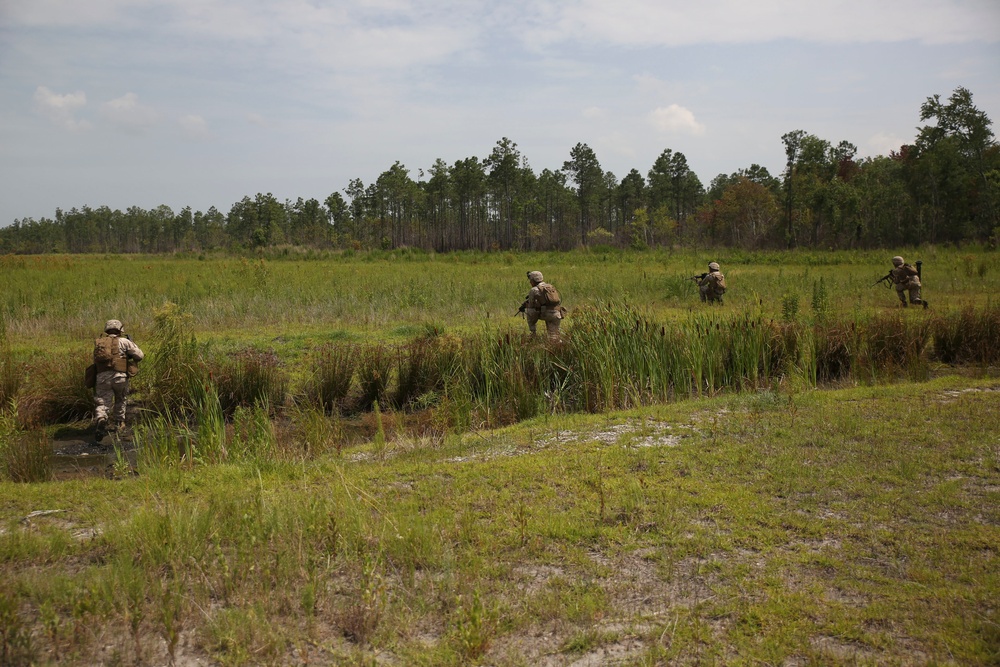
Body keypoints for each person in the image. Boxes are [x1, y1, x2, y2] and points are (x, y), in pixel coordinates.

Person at [93, 319, 144, 438]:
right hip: (119, 377)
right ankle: (119, 423)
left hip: (102, 377)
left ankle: (101, 419)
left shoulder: (100, 343)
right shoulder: (124, 341)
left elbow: (95, 360)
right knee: (120, 399)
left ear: (107, 330)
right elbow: (140, 356)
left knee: (102, 401)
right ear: (120, 330)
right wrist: (132, 344)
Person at [519, 271, 565, 340]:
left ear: (533, 281)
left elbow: (531, 305)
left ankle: (532, 333)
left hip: (545, 314)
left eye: (531, 280)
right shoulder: (550, 287)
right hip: (557, 313)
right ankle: (556, 343)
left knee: (530, 310)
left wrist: (525, 306)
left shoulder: (534, 290)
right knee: (554, 334)